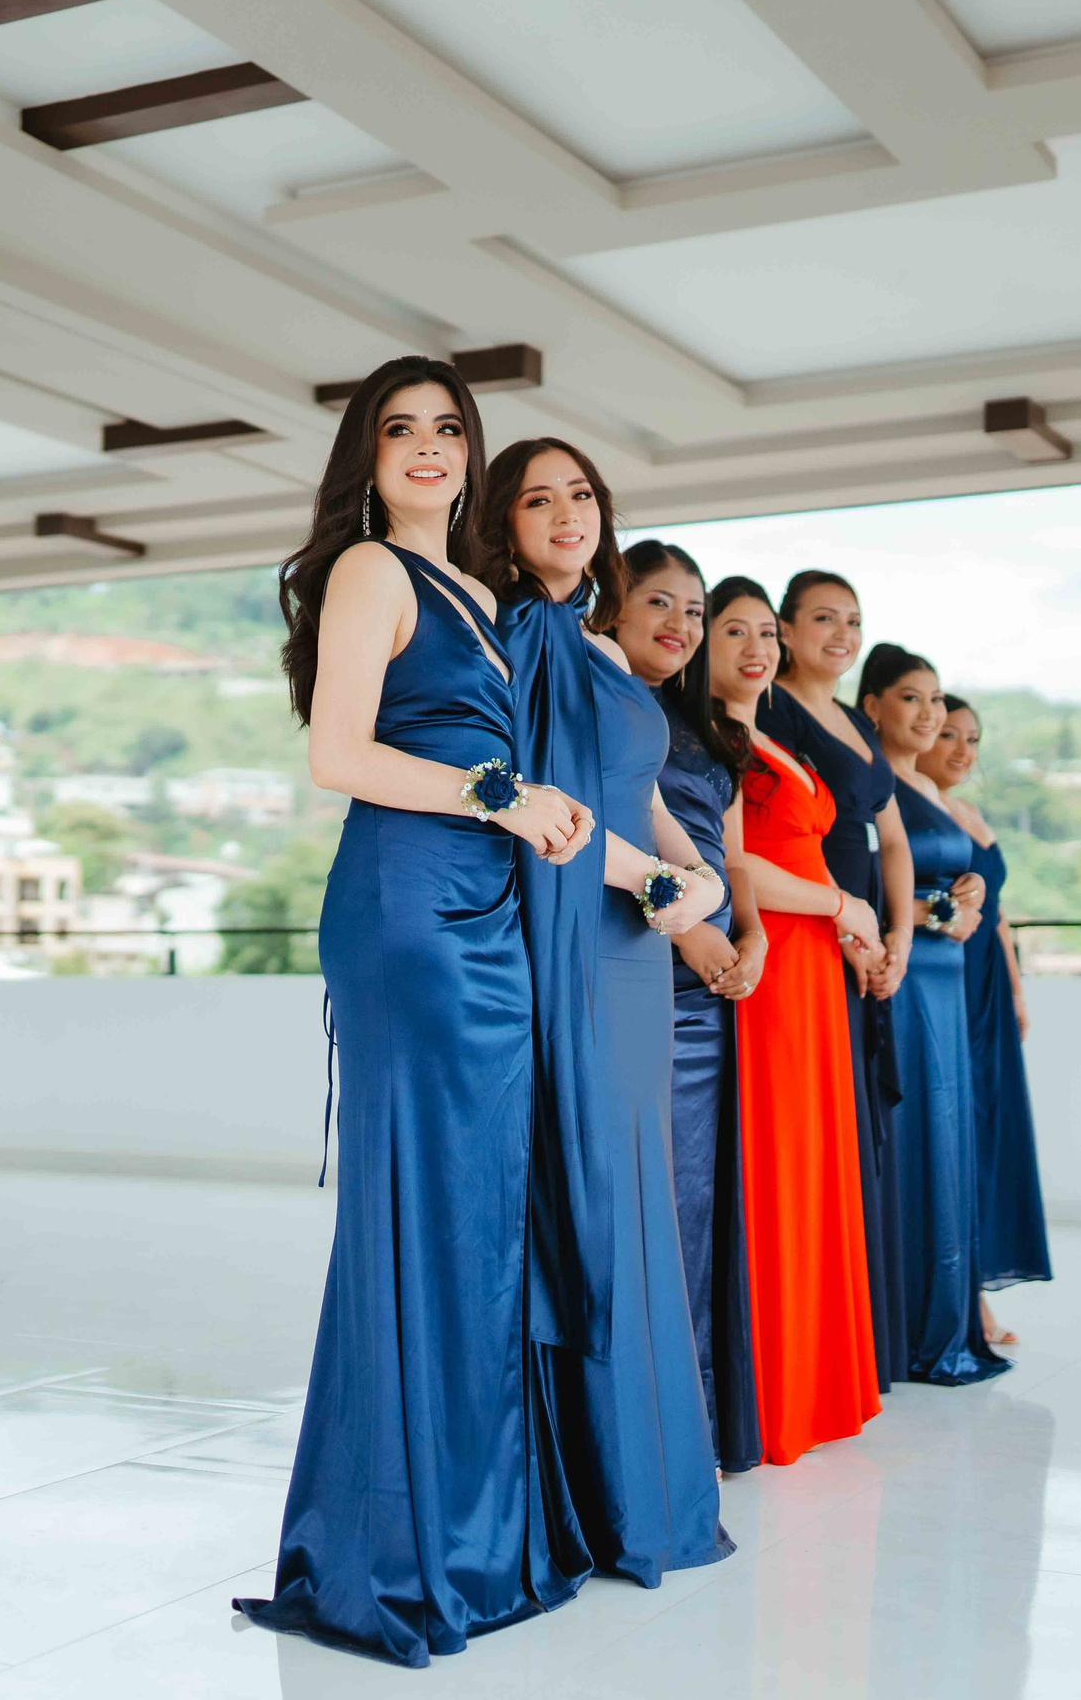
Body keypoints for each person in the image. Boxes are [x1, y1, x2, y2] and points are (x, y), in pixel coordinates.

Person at [231, 358, 596, 1667]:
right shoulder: (371, 572)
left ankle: (472, 1534)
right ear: (368, 455)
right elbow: (339, 752)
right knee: (425, 1215)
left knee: (476, 1215)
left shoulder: (483, 592)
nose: (431, 447)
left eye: (451, 428)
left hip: (486, 912)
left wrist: (548, 814)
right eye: (403, 430)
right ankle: (397, 1551)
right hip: (407, 909)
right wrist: (500, 793)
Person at [482, 438, 732, 1579]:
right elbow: (561, 812)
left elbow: (645, 805)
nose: (565, 512)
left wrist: (703, 883)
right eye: (537, 499)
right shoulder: (523, 642)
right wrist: (659, 885)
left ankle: (651, 1482)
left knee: (637, 1207)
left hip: (641, 950)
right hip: (581, 938)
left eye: (579, 493)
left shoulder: (595, 644)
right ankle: (598, 1492)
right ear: (506, 521)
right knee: (587, 1209)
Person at [709, 578, 882, 1462]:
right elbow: (736, 864)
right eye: (732, 631)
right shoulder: (721, 740)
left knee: (818, 1162)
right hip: (777, 955)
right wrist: (841, 901)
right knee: (778, 1165)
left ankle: (818, 1382)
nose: (755, 648)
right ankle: (777, 1390)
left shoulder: (768, 734)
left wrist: (843, 918)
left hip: (817, 958)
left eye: (765, 633)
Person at [604, 537, 763, 1475]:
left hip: (714, 978)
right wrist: (690, 933)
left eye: (694, 611)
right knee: (646, 1201)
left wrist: (752, 936)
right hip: (637, 960)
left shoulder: (707, 731)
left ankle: (690, 1422)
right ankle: (639, 1434)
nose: (680, 625)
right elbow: (605, 837)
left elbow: (731, 857)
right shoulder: (609, 710)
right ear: (615, 609)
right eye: (660, 603)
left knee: (698, 1203)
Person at [758, 571, 910, 1392]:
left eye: (853, 619)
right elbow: (796, 840)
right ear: (785, 628)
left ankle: (860, 1343)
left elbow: (891, 836)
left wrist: (900, 937)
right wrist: (853, 931)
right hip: (813, 930)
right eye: (824, 618)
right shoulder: (772, 709)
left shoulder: (853, 719)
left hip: (865, 933)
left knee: (860, 1136)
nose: (842, 633)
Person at [859, 645, 1010, 1387]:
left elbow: (960, 881)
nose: (930, 714)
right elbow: (866, 876)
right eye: (913, 699)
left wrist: (970, 898)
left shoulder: (928, 784)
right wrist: (930, 909)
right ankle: (918, 1329)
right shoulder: (877, 782)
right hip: (913, 972)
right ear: (875, 705)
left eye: (937, 700)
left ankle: (952, 1319)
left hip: (951, 976)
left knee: (951, 1137)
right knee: (916, 1131)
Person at [928, 694, 1053, 1338]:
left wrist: (1016, 990)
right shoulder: (914, 808)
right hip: (944, 977)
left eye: (972, 740)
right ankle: (963, 1294)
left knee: (989, 1131)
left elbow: (997, 914)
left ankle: (976, 1282)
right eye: (949, 734)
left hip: (989, 990)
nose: (961, 751)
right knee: (956, 1133)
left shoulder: (969, 814)